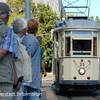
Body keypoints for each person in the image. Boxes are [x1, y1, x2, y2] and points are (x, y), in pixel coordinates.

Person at [0, 2, 19, 100]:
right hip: (4, 78)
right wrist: (15, 77)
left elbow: (10, 56)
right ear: (6, 16)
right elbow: (3, 52)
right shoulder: (8, 30)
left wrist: (15, 76)